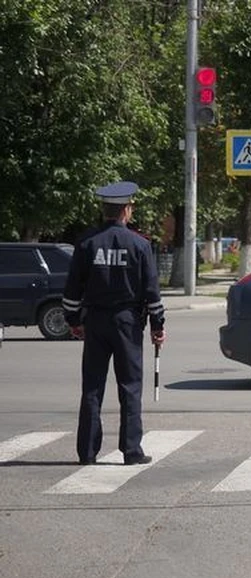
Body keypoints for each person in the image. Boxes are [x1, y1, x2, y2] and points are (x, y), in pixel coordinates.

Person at [61, 181, 167, 465]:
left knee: (92, 388)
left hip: (95, 321)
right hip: (128, 323)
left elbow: (72, 290)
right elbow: (151, 291)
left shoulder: (86, 243)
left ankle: (87, 452)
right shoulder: (140, 245)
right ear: (126, 211)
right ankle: (131, 451)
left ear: (104, 209)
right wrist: (157, 325)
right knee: (130, 387)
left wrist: (73, 320)